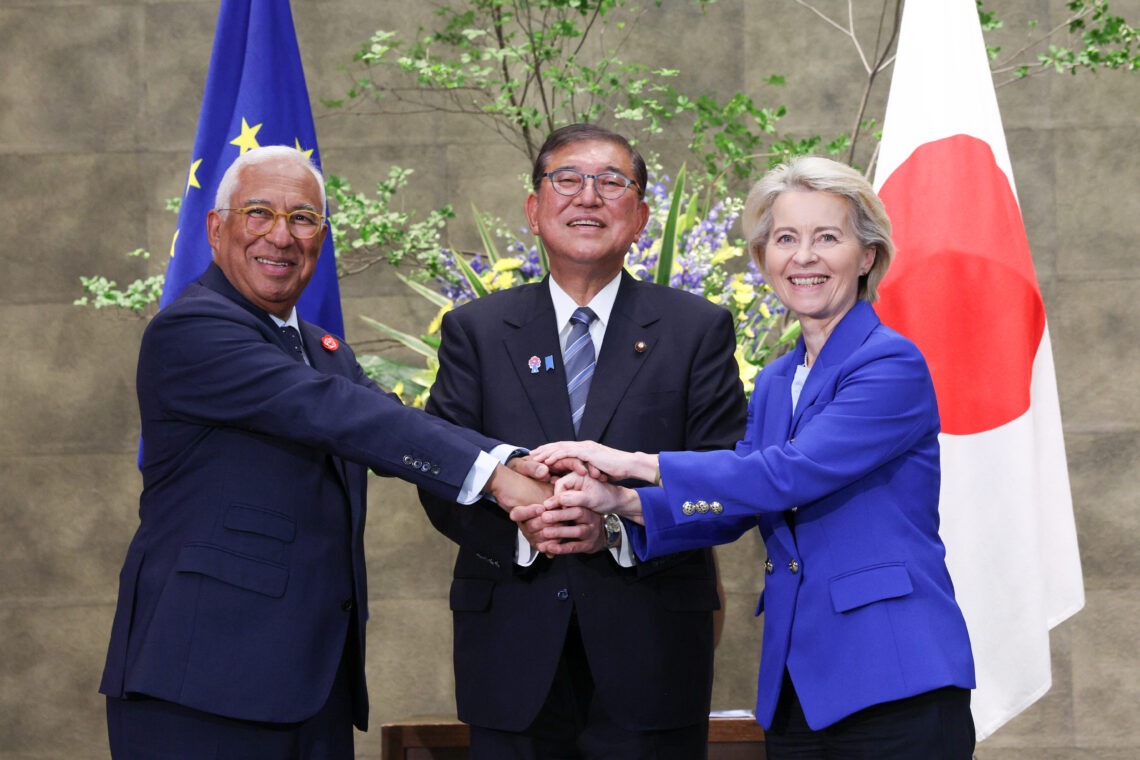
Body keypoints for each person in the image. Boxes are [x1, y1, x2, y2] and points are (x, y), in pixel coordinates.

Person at [99, 145, 550, 759]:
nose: (281, 236)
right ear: (216, 228)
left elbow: (392, 422)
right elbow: (339, 412)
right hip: (201, 683)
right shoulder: (192, 329)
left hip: (311, 686)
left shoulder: (322, 349)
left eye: (303, 219)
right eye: (258, 213)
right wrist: (498, 476)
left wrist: (514, 461)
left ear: (322, 237)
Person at [527, 156, 977, 759]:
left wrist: (635, 462)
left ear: (867, 256)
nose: (804, 257)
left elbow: (787, 475)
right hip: (798, 684)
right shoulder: (775, 380)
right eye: (785, 239)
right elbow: (737, 503)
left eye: (827, 238)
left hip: (893, 676)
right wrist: (621, 503)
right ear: (765, 259)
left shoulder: (888, 363)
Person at [418, 124, 746, 759]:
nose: (588, 196)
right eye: (567, 180)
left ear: (641, 216)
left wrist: (618, 529)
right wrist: (530, 530)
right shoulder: (476, 331)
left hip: (653, 654)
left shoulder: (696, 329)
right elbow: (440, 468)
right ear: (534, 209)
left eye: (612, 183)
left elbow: (725, 482)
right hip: (511, 652)